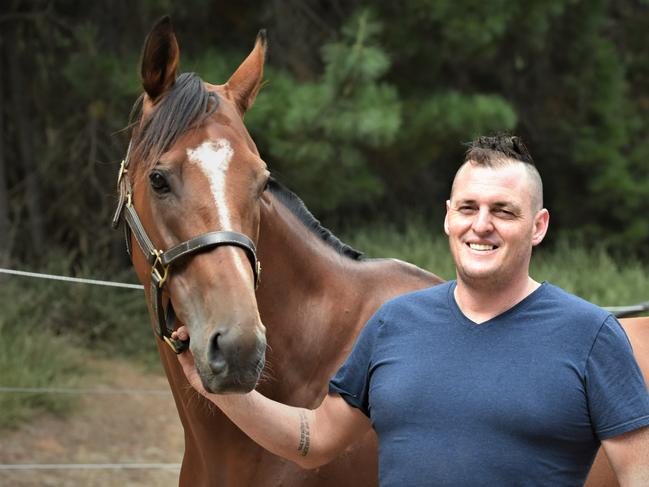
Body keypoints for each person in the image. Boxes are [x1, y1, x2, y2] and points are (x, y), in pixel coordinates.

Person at [173, 135, 649, 486]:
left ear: (538, 226)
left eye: (504, 211)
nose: (481, 225)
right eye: (468, 208)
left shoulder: (591, 336)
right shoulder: (393, 324)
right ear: (447, 216)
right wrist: (219, 392)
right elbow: (314, 440)